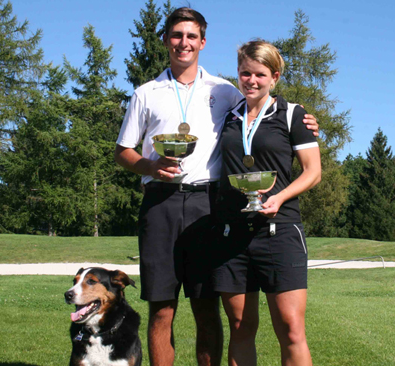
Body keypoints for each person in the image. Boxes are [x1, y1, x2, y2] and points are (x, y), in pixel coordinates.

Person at [114, 8, 319, 366]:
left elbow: (270, 120)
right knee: (162, 309)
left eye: (191, 36)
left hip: (209, 205)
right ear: (165, 40)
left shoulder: (224, 91)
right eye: (176, 35)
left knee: (207, 307)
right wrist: (150, 165)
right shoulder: (145, 93)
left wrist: (305, 122)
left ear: (203, 42)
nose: (184, 43)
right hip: (160, 204)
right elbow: (122, 152)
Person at [212, 40, 321, 366]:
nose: (251, 81)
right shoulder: (227, 117)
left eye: (260, 74)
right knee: (241, 328)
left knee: (290, 329)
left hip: (280, 231)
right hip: (233, 232)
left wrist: (279, 197)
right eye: (245, 73)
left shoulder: (292, 115)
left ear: (274, 76)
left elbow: (313, 172)